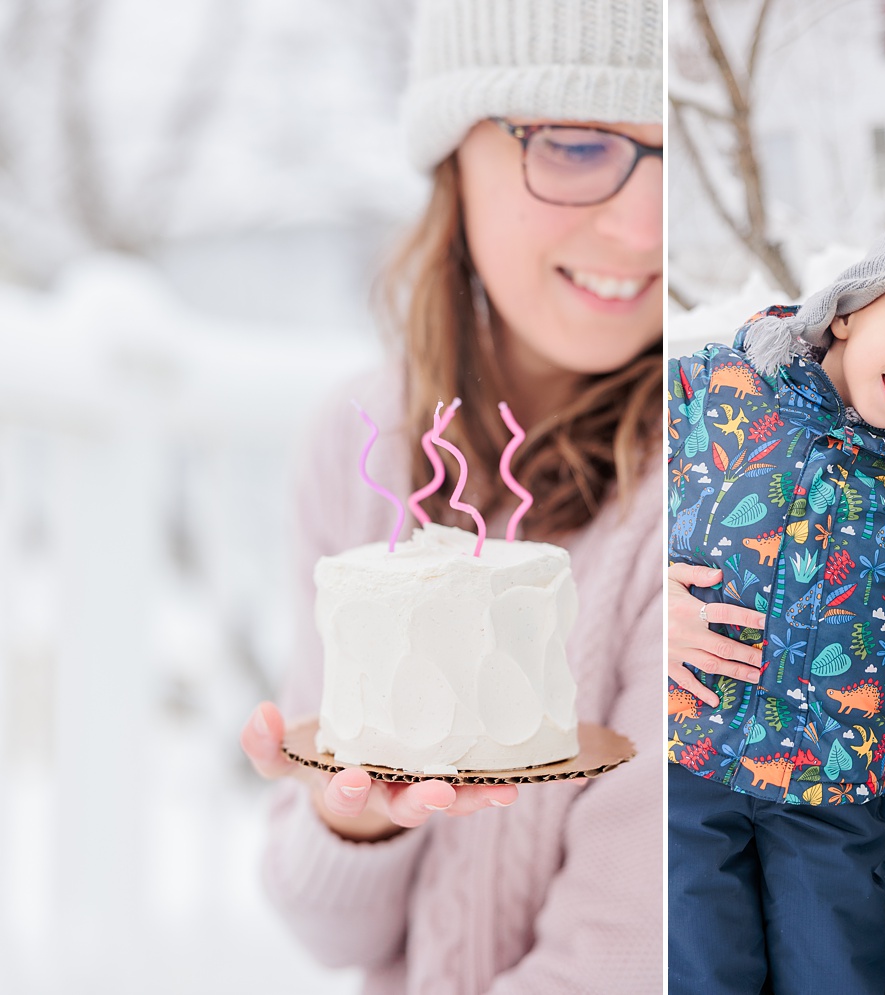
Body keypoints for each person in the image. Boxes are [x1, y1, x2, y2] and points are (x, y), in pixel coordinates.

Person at [235, 1, 663, 991]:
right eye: (574, 141)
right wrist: (350, 814)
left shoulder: (689, 496)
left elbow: (626, 954)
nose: (642, 227)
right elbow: (330, 932)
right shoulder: (356, 440)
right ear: (450, 156)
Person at [666, 225, 885, 995]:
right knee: (704, 966)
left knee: (838, 972)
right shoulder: (709, 391)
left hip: (830, 789)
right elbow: (603, 500)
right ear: (848, 311)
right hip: (693, 754)